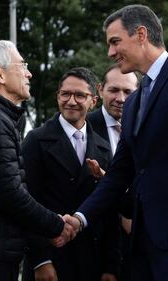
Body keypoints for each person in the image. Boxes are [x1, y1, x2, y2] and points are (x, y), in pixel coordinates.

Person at [62, 4, 168, 281]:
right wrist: (80, 218)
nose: (110, 52)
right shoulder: (134, 103)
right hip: (143, 243)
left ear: (141, 34)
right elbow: (119, 173)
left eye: (115, 42)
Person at [0, 40, 71, 281]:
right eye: (22, 65)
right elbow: (12, 194)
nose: (29, 72)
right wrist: (56, 224)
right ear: (0, 74)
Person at [21, 67, 120, 281]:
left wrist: (111, 267)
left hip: (92, 262)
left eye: (80, 95)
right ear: (58, 96)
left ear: (94, 100)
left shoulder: (104, 148)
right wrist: (40, 260)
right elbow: (26, 204)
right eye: (65, 94)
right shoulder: (36, 141)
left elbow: (110, 212)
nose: (71, 101)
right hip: (51, 262)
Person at [87, 64, 139, 281]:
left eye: (128, 92)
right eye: (114, 90)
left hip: (140, 243)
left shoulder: (146, 127)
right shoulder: (83, 126)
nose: (121, 98)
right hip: (97, 245)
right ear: (100, 90)